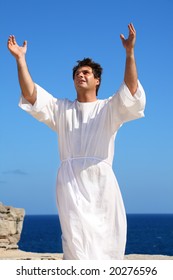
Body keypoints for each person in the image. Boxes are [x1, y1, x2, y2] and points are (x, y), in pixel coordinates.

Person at [7, 23, 146, 260]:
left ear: (97, 81)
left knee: (107, 243)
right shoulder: (62, 109)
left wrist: (129, 53)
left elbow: (131, 91)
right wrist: (20, 60)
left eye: (86, 73)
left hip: (101, 184)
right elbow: (31, 95)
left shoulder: (109, 108)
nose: (80, 75)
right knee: (75, 246)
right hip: (70, 184)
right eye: (77, 74)